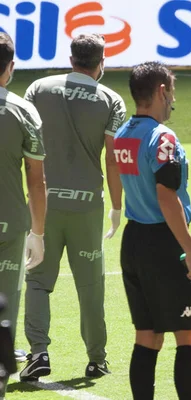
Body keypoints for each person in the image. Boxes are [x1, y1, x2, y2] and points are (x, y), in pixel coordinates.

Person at [20, 33, 126, 381]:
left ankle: (39, 353)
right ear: (102, 60)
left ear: (71, 58)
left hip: (43, 204)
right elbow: (113, 158)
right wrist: (116, 205)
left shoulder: (38, 88)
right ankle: (97, 359)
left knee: (37, 280)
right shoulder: (111, 99)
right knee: (91, 286)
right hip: (87, 206)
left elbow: (25, 145)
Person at [114, 61, 191, 399]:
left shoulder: (124, 134)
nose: (173, 101)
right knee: (190, 334)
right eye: (172, 92)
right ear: (161, 91)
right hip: (164, 245)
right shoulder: (162, 137)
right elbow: (167, 197)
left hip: (134, 240)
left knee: (148, 335)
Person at [0, 32, 46, 397]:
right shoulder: (24, 110)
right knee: (5, 299)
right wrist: (39, 233)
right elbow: (36, 179)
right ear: (10, 68)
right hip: (10, 221)